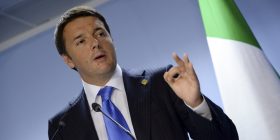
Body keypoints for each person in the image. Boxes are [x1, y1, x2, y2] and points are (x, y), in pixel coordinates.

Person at [48, 6, 238, 140]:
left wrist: (196, 104)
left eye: (100, 33)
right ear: (68, 60)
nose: (95, 43)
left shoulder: (162, 83)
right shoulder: (62, 126)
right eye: (81, 41)